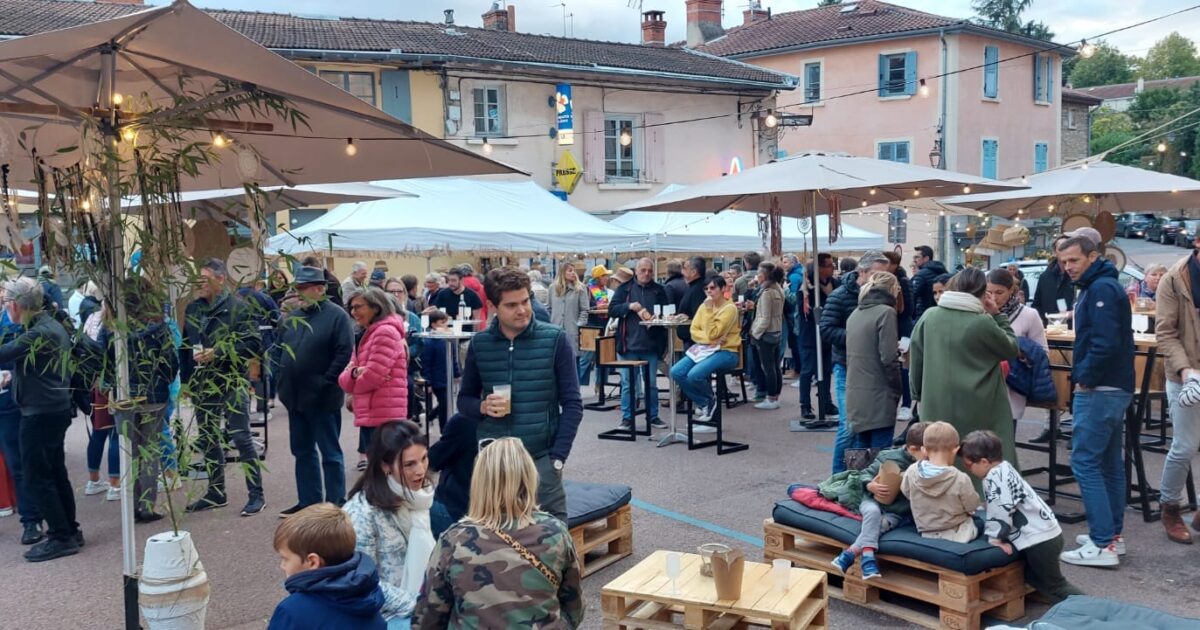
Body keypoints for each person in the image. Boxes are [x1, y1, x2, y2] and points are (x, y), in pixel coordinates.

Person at [414, 438, 583, 630]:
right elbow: (574, 609)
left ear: (479, 482)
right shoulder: (556, 533)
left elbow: (427, 618)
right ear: (529, 477)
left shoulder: (453, 540)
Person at [457, 267, 583, 522]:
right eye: (511, 305)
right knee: (492, 536)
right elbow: (463, 400)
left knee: (552, 537)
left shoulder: (554, 340)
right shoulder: (480, 344)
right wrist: (482, 407)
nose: (522, 310)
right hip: (494, 462)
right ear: (492, 306)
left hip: (541, 461)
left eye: (526, 301)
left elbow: (573, 404)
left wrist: (557, 459)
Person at [1056, 228, 1134, 568]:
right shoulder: (1102, 285)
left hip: (1100, 388)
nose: (1068, 267)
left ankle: (1103, 543)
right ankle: (1111, 536)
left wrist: (1084, 378)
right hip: (1113, 386)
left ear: (1093, 257)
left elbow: (1104, 342)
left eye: (1074, 260)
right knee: (1108, 463)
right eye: (1063, 262)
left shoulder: (1100, 288)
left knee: (1085, 462)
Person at [910, 267, 1019, 481]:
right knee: (981, 455)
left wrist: (917, 394)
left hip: (936, 399)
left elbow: (916, 358)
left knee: (938, 455)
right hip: (980, 402)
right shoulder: (982, 321)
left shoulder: (929, 316)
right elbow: (1011, 348)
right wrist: (998, 315)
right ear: (982, 293)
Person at [0, 277, 79, 561]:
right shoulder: (47, 325)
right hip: (52, 408)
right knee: (54, 472)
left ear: (15, 305)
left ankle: (61, 536)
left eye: (5, 303)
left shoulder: (38, 333)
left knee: (37, 475)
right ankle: (69, 530)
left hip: (40, 413)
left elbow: (4, 353)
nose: (5, 308)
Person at [182, 258, 266, 516]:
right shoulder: (193, 309)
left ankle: (256, 495)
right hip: (202, 383)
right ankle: (216, 492)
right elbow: (185, 346)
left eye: (204, 279)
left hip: (232, 380)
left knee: (241, 436)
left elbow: (253, 344)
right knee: (208, 438)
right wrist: (185, 380)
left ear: (220, 279)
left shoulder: (239, 308)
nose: (199, 284)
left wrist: (218, 352)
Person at [961, 430, 1082, 603]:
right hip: (1049, 534)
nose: (969, 470)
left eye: (968, 465)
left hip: (1040, 541)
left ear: (984, 462)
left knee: (1056, 585)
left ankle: (1092, 607)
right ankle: (1064, 606)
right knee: (1033, 577)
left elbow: (1001, 510)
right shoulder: (1005, 468)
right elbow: (1004, 501)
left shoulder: (993, 478)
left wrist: (996, 538)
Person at [276, 267, 355, 516]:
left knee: (330, 453)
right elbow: (278, 348)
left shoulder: (336, 316)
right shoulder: (292, 316)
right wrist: (279, 380)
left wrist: (326, 381)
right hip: (294, 396)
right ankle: (308, 502)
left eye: (303, 288)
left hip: (322, 397)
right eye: (297, 288)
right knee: (302, 451)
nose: (298, 293)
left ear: (320, 289)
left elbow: (344, 351)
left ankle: (335, 504)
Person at [343, 420, 434, 630]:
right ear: (385, 466)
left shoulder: (421, 496)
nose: (420, 470)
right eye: (409, 464)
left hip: (424, 599)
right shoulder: (361, 514)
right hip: (385, 615)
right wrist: (420, 604)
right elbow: (361, 582)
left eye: (424, 458)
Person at [831, 422, 928, 580]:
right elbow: (864, 474)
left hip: (895, 510)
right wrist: (870, 485)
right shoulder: (888, 456)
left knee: (882, 524)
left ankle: (849, 554)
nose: (931, 456)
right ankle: (868, 557)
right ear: (913, 449)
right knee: (873, 512)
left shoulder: (926, 466)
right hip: (872, 501)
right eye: (928, 451)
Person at [821, 251, 890, 473]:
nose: (881, 280)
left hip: (872, 370)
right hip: (847, 367)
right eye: (877, 274)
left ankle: (858, 477)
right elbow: (826, 329)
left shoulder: (886, 298)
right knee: (849, 425)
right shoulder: (840, 296)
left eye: (885, 275)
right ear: (862, 272)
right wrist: (859, 338)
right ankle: (836, 478)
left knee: (865, 427)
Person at [269, 503, 386, 630]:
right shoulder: (369, 594)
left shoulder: (292, 611)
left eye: (285, 558)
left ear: (312, 562)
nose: (282, 566)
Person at [1152, 238, 1200, 544]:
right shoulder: (1174, 278)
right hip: (1185, 373)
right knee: (1185, 446)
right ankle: (1169, 508)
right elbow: (1166, 332)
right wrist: (1185, 371)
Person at [340, 288, 408, 472]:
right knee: (378, 472)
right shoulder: (366, 334)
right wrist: (355, 373)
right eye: (351, 308)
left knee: (386, 472)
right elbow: (345, 380)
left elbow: (372, 377)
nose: (353, 312)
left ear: (376, 308)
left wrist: (355, 379)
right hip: (371, 413)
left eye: (358, 307)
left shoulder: (385, 332)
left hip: (384, 415)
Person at [670, 274, 741, 427]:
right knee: (676, 371)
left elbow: (714, 333)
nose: (709, 291)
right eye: (706, 288)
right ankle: (706, 402)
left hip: (726, 351)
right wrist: (709, 340)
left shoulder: (729, 309)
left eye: (712, 288)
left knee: (694, 375)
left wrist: (709, 314)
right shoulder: (703, 306)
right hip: (704, 349)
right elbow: (694, 330)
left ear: (723, 288)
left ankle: (708, 405)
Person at [608, 258, 670, 432]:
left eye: (649, 270)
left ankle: (653, 416)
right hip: (628, 345)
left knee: (651, 384)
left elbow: (666, 312)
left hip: (651, 345)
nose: (646, 273)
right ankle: (627, 418)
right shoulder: (624, 289)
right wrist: (629, 306)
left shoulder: (659, 290)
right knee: (628, 384)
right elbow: (612, 310)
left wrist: (658, 319)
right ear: (636, 271)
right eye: (643, 270)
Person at [845, 271, 902, 451]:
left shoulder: (856, 313)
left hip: (856, 392)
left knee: (861, 453)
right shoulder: (886, 313)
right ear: (893, 289)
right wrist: (898, 388)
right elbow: (889, 358)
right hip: (879, 391)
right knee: (880, 455)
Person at [900, 421, 980, 543]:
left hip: (926, 532)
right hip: (958, 533)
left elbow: (906, 491)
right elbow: (972, 505)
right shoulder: (960, 478)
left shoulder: (911, 471)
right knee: (980, 522)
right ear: (955, 450)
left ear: (924, 450)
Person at [0, 303, 40, 545]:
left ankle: (31, 520)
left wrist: (13, 375)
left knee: (19, 463)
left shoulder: (12, 322)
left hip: (8, 403)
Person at [986, 269, 1047, 426]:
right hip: (983, 387)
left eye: (999, 292)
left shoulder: (1029, 315)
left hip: (1011, 388)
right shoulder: (980, 313)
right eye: (989, 292)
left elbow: (1043, 353)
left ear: (1011, 290)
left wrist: (1020, 351)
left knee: (1006, 435)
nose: (993, 297)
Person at [796, 253, 838, 430]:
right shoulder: (806, 286)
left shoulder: (835, 284)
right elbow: (804, 310)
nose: (833, 268)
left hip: (828, 335)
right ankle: (805, 405)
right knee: (807, 371)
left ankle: (826, 401)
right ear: (819, 268)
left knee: (826, 370)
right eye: (829, 265)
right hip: (810, 334)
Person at [427, 411, 476, 538]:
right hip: (508, 516)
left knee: (415, 508)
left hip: (458, 511)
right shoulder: (523, 422)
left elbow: (432, 461)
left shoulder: (464, 421)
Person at [750, 261, 785, 410]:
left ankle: (771, 398)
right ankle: (775, 395)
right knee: (775, 366)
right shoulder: (778, 289)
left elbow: (764, 318)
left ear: (764, 276)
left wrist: (755, 333)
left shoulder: (767, 293)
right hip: (776, 331)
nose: (757, 275)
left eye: (759, 273)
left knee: (768, 367)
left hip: (766, 334)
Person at [548, 261, 589, 384]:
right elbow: (548, 308)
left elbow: (585, 310)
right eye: (570, 270)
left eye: (574, 270)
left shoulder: (580, 289)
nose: (573, 273)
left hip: (573, 331)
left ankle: (575, 391)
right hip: (555, 331)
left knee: (574, 363)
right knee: (556, 363)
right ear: (562, 272)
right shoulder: (552, 288)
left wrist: (580, 325)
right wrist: (549, 325)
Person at [420, 311, 459, 433]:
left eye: (446, 322)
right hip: (437, 379)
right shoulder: (430, 342)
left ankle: (429, 417)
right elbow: (427, 363)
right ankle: (444, 430)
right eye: (442, 322)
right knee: (444, 404)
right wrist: (428, 382)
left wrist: (456, 373)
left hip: (447, 377)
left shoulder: (449, 339)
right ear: (433, 325)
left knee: (446, 403)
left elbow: (453, 358)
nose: (445, 325)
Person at [1031, 237, 1076, 327]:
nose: (1065, 250)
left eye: (1068, 247)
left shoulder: (1078, 275)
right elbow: (1037, 304)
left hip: (1074, 328)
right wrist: (1043, 321)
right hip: (1050, 328)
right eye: (1061, 247)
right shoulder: (1045, 277)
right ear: (1055, 253)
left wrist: (1073, 314)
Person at [675, 257, 708, 347]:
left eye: (685, 268)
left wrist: (687, 317)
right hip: (690, 338)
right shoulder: (693, 287)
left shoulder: (698, 289)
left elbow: (699, 314)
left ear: (694, 272)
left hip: (694, 341)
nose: (682, 272)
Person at [910, 245, 948, 321]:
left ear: (926, 258)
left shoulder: (921, 274)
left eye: (917, 257)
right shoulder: (942, 270)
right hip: (941, 311)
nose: (914, 260)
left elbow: (912, 295)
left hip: (923, 314)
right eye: (914, 257)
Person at [781, 254, 803, 379]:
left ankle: (798, 370)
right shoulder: (798, 273)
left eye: (785, 262)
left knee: (795, 343)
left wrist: (785, 290)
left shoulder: (794, 277)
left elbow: (794, 299)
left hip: (793, 315)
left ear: (793, 263)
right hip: (795, 315)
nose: (783, 265)